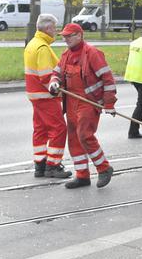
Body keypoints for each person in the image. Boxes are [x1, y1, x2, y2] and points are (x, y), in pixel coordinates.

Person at [48, 23, 116, 189]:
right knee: (74, 138)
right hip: (71, 102)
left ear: (79, 35)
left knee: (84, 135)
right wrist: (54, 83)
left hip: (88, 102)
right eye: (64, 36)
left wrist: (109, 103)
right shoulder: (66, 55)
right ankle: (82, 175)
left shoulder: (93, 53)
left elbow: (108, 79)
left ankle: (104, 168)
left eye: (69, 36)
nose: (65, 39)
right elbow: (56, 74)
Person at [24, 14, 71, 179]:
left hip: (35, 95)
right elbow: (45, 77)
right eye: (55, 28)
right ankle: (53, 165)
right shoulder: (42, 48)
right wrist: (58, 91)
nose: (56, 31)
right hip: (45, 96)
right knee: (59, 129)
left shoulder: (33, 44)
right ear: (48, 28)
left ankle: (40, 164)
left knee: (40, 130)